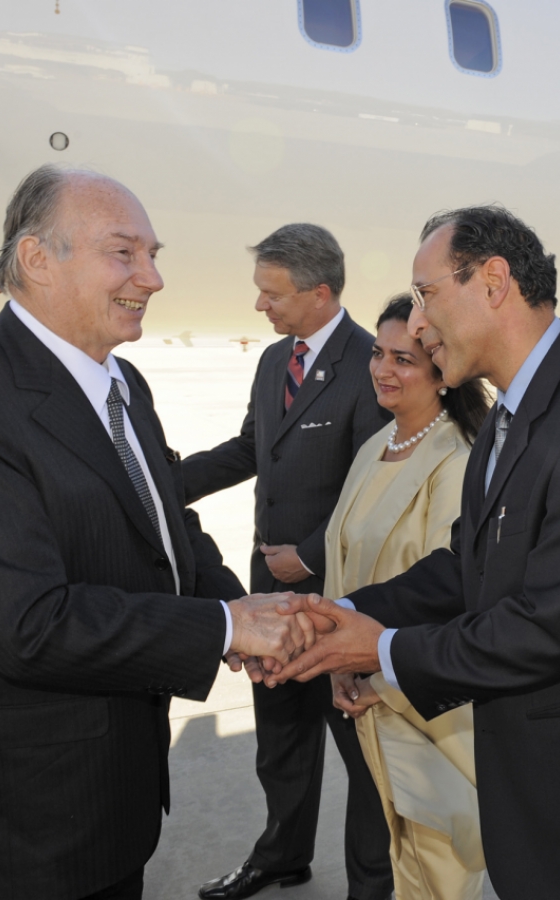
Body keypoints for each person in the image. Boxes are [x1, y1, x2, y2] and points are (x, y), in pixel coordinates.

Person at [266, 205, 560, 900]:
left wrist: (383, 650)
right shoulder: (509, 415)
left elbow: (549, 627)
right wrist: (340, 615)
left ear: (493, 282)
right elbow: (467, 566)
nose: (418, 323)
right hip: (545, 804)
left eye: (427, 295)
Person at [0, 164, 310, 900]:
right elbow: (28, 624)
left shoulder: (122, 382)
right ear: (38, 260)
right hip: (8, 826)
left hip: (106, 802)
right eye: (125, 253)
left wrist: (248, 613)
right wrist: (224, 630)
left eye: (154, 254)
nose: (153, 277)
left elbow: (167, 524)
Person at [183, 224, 393, 900]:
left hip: (339, 598)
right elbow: (252, 448)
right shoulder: (277, 359)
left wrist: (308, 555)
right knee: (279, 740)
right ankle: (281, 856)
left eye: (271, 295)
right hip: (271, 592)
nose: (260, 307)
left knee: (362, 755)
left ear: (320, 293)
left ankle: (372, 886)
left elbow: (379, 485)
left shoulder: (373, 364)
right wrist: (165, 485)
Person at [322, 293, 490, 900]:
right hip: (357, 689)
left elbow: (450, 591)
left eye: (403, 359)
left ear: (441, 373)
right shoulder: (378, 445)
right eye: (376, 353)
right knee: (381, 851)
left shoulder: (459, 458)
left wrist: (374, 672)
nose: (382, 370)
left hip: (416, 699)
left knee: (434, 867)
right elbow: (342, 567)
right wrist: (335, 660)